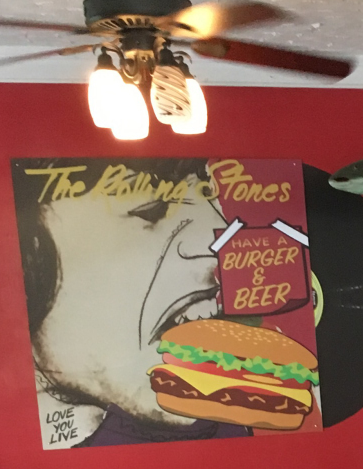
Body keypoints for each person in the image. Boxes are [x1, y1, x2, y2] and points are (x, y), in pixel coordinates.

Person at [13, 156, 250, 446]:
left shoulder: (236, 426)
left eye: (209, 197)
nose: (221, 248)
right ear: (28, 263)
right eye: (151, 211)